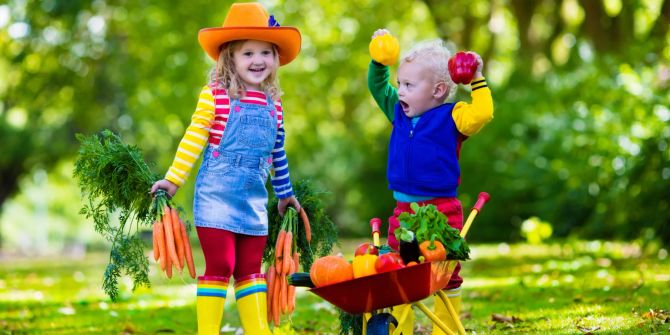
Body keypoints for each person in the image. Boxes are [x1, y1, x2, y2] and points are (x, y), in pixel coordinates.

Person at [150, 3, 301, 334]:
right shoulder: (215, 96)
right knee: (222, 264)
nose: (257, 60)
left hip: (253, 199)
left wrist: (285, 194)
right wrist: (173, 180)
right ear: (229, 57)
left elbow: (277, 152)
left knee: (249, 268)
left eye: (265, 52)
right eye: (247, 53)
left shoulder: (275, 104)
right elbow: (193, 138)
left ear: (276, 59)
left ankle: (257, 329)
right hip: (216, 195)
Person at [367, 29, 494, 334]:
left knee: (446, 272)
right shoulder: (398, 111)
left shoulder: (454, 116)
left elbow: (483, 113)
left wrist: (477, 78)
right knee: (399, 269)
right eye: (401, 84)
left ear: (438, 90)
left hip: (442, 211)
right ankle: (401, 329)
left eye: (409, 85)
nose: (402, 91)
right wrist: (378, 59)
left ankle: (445, 328)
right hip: (404, 210)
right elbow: (377, 85)